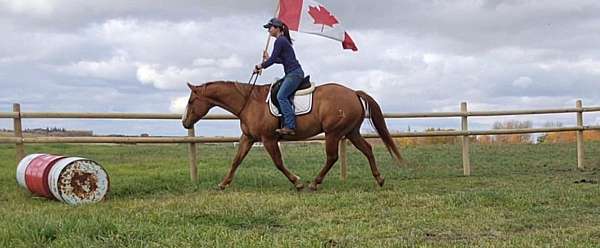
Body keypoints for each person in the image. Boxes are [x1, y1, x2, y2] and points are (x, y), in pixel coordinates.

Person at [255, 18, 304, 136]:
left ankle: (290, 126)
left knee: (281, 96)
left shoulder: (280, 41)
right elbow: (281, 60)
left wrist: (260, 65)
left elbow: (273, 60)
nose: (268, 31)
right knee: (277, 90)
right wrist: (268, 59)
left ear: (277, 28)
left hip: (294, 74)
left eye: (270, 28)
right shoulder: (282, 40)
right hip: (292, 73)